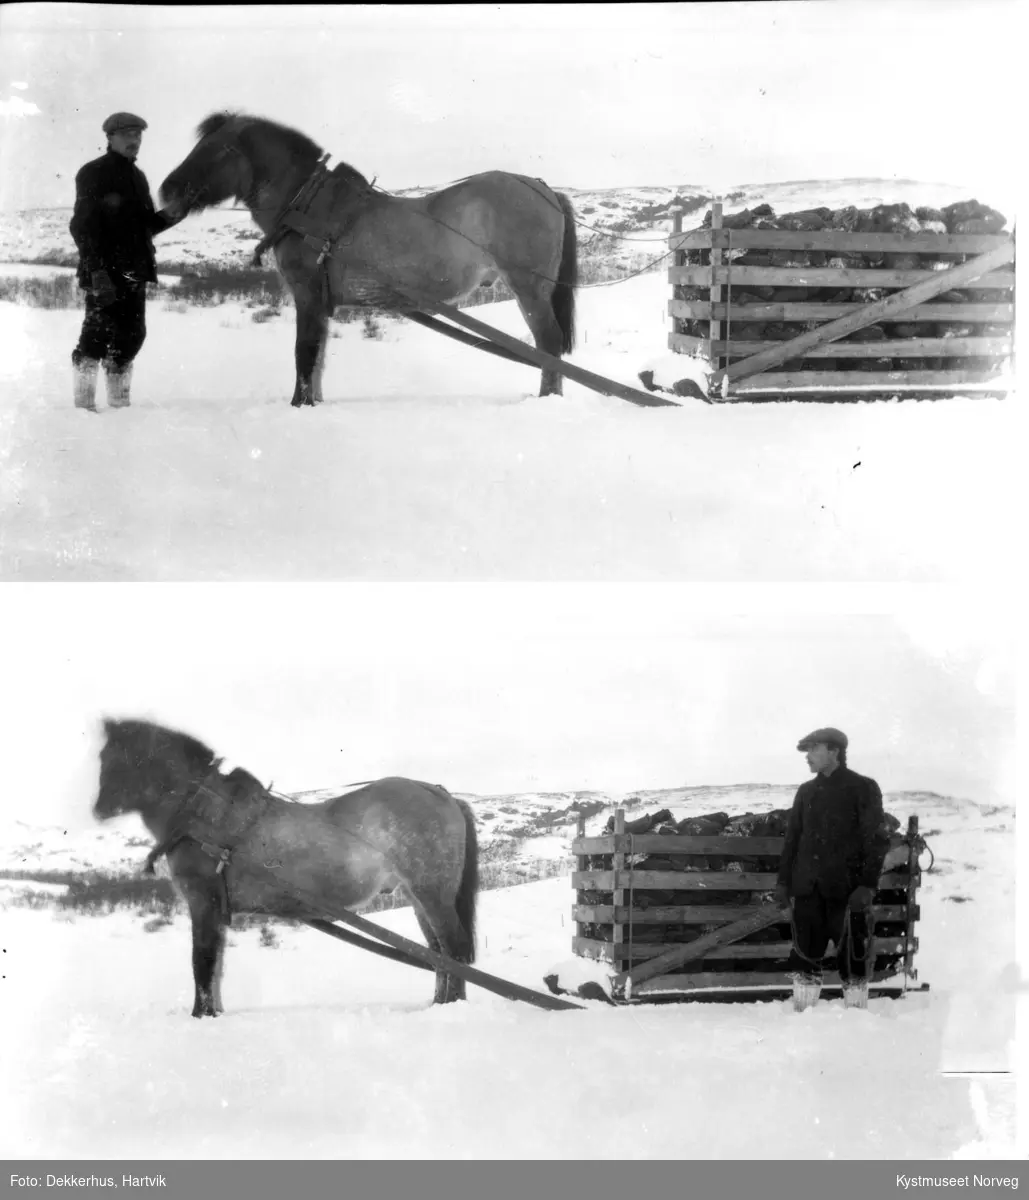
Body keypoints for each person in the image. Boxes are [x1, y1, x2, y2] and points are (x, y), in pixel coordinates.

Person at [69, 112, 186, 411]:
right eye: (127, 134)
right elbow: (82, 226)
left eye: (138, 135)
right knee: (96, 336)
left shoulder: (138, 177)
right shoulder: (93, 172)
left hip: (135, 270)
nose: (135, 141)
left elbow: (144, 226)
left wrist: (173, 214)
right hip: (105, 271)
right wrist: (96, 271)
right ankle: (83, 408)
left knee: (132, 336)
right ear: (110, 137)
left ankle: (120, 406)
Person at [774, 728, 890, 1012]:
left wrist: (866, 885)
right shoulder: (806, 792)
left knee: (853, 959)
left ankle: (856, 1020)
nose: (808, 757)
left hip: (846, 893)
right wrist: (783, 883)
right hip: (807, 892)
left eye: (814, 749)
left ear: (834, 751)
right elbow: (793, 841)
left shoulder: (863, 788)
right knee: (804, 961)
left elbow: (875, 840)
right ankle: (802, 1019)